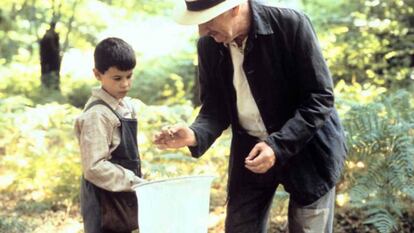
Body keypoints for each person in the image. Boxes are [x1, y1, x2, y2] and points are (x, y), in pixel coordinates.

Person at [153, 0, 347, 233]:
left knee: (309, 228)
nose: (202, 31)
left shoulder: (291, 24)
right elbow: (214, 107)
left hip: (308, 148)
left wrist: (276, 146)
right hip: (249, 150)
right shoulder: (208, 44)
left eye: (207, 20)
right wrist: (194, 134)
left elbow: (320, 97)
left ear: (234, 8)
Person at [75, 37, 145, 233]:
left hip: (123, 197)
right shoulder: (97, 115)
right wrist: (135, 182)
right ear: (98, 74)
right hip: (103, 203)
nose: (125, 84)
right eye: (117, 78)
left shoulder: (125, 106)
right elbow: (94, 167)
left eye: (129, 76)